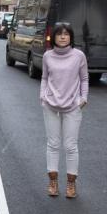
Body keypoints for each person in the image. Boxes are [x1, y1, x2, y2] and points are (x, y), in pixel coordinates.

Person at [40, 22, 88, 198]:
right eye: (59, 34)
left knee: (70, 146)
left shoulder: (78, 56)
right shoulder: (47, 56)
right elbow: (45, 78)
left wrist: (83, 99)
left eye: (66, 34)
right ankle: (52, 182)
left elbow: (84, 79)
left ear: (71, 37)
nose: (62, 37)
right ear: (54, 37)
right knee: (53, 144)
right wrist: (43, 96)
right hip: (50, 104)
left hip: (72, 105)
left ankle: (71, 184)